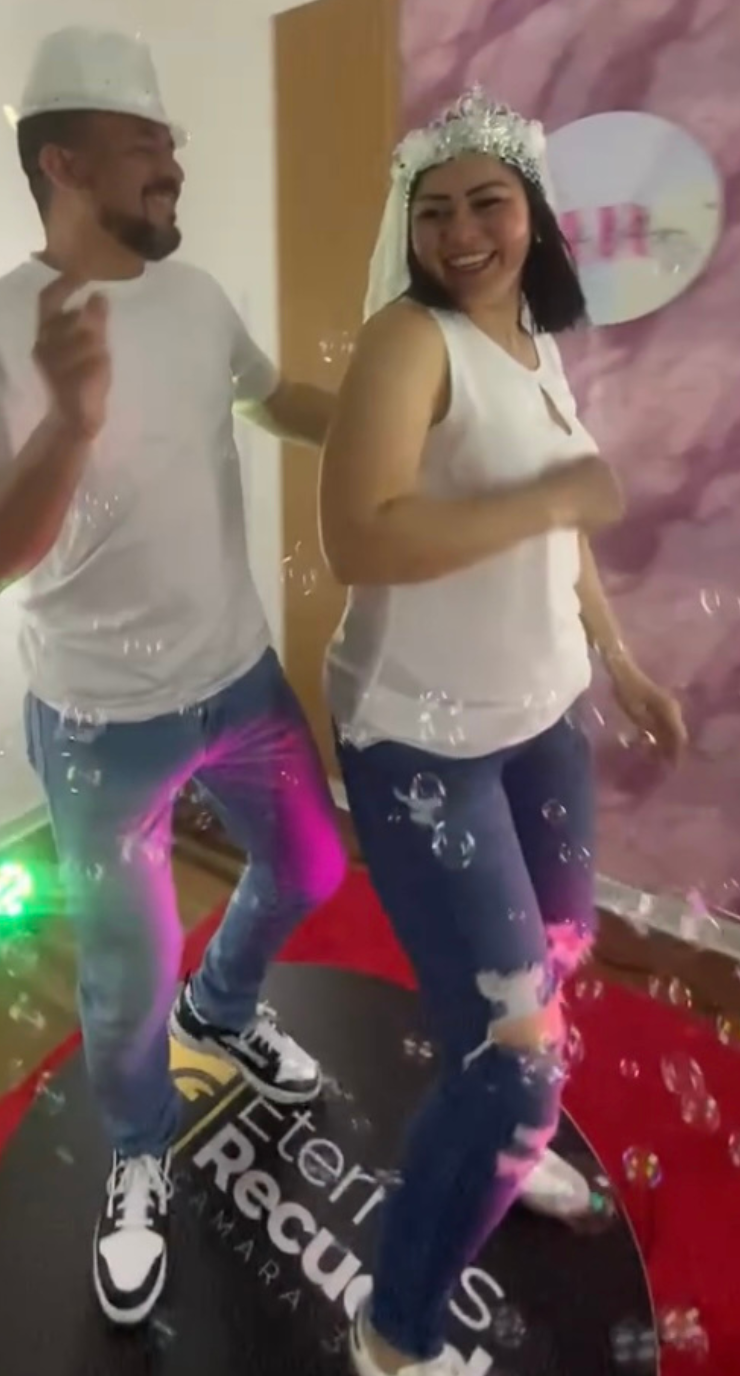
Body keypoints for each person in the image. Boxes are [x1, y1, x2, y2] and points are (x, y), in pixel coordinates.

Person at [0, 24, 346, 1328]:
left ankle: (224, 1011)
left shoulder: (199, 296)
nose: (176, 162)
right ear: (62, 161)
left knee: (312, 866)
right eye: (147, 143)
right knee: (126, 978)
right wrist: (69, 422)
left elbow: (273, 400)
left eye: (172, 142)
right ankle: (138, 1153)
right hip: (98, 723)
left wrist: (400, 421)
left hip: (239, 679)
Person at [318, 88, 688, 1376]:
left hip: (542, 725)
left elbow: (564, 529)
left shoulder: (535, 345)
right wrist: (544, 497)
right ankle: (394, 1333)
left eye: (488, 203)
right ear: (409, 229)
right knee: (517, 1064)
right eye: (435, 211)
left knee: (553, 970)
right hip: (423, 746)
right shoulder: (409, 343)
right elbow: (360, 536)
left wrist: (620, 661)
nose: (463, 232)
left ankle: (499, 1155)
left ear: (534, 215)